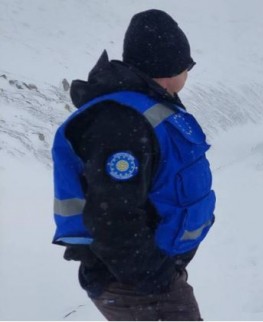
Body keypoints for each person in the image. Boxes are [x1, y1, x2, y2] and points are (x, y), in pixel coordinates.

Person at [51, 9, 215, 321]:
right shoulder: (123, 123)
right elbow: (111, 215)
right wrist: (157, 277)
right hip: (137, 286)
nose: (188, 73)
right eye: (187, 65)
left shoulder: (146, 110)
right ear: (169, 67)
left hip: (147, 277)